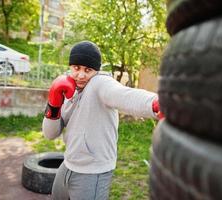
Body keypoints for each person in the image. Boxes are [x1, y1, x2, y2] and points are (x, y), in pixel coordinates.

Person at [42, 41, 162, 200]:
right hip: (68, 164)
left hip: (92, 172)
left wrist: (155, 104)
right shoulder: (67, 88)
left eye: (88, 70)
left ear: (95, 71)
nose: (81, 75)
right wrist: (54, 102)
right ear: (71, 66)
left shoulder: (100, 84)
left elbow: (124, 95)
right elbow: (49, 134)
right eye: (77, 68)